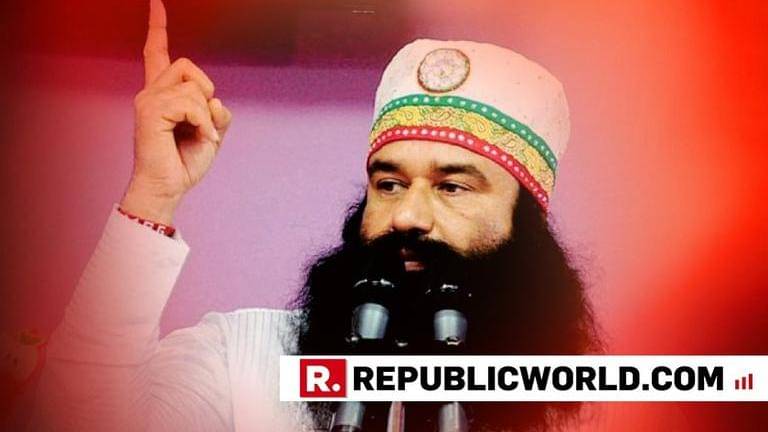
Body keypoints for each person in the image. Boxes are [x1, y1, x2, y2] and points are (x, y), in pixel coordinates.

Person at [29, 0, 600, 430]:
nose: (407, 216)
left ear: (524, 227)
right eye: (389, 184)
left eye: (452, 187)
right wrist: (152, 196)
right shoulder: (243, 359)